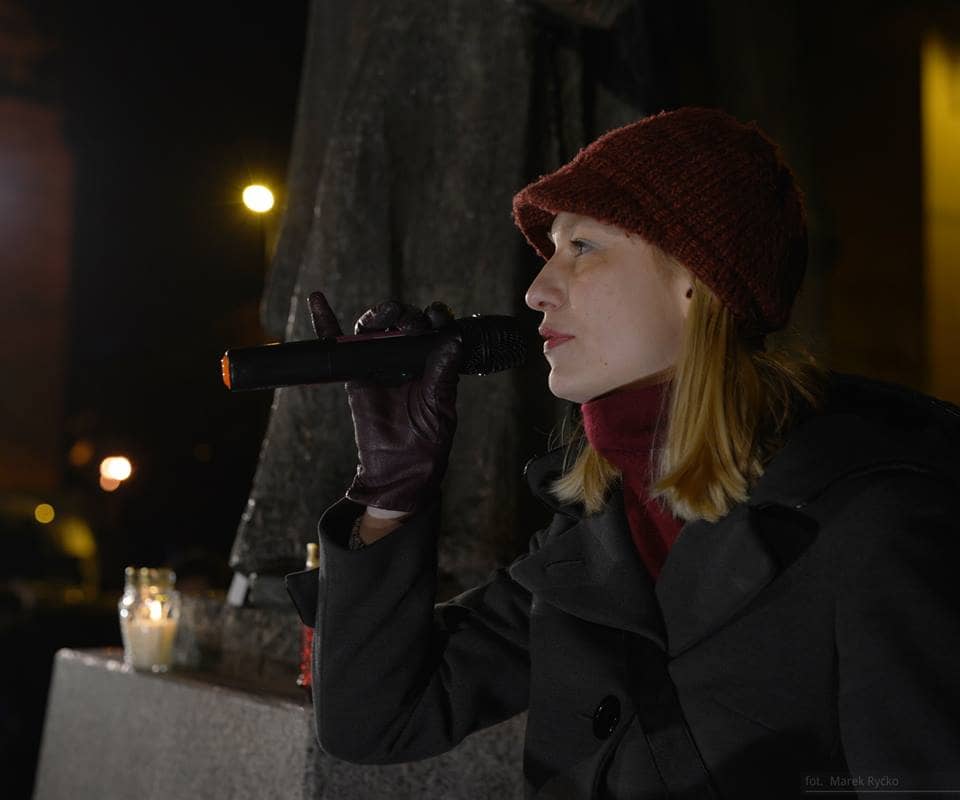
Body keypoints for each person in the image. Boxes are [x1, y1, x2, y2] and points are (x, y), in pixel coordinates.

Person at [285, 106, 960, 799]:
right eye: (550, 250)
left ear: (697, 279)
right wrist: (391, 494)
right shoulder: (603, 525)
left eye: (583, 247)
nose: (538, 289)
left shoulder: (875, 524)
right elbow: (375, 722)